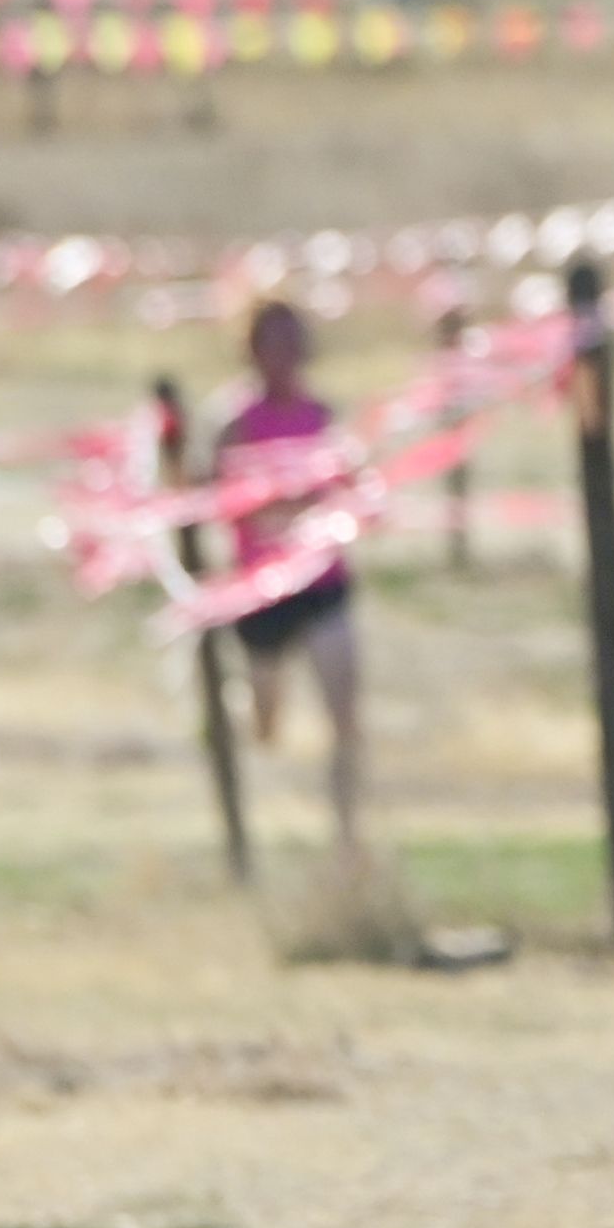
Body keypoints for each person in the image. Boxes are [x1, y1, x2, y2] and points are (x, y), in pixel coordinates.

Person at [218, 299, 365, 856]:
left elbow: (347, 488)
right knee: (265, 725)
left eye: (290, 338)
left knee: (346, 719)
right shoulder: (233, 421)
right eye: (270, 339)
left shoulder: (323, 418)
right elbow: (222, 498)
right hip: (260, 594)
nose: (282, 352)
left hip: (323, 586)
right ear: (252, 348)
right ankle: (257, 817)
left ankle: (347, 840)